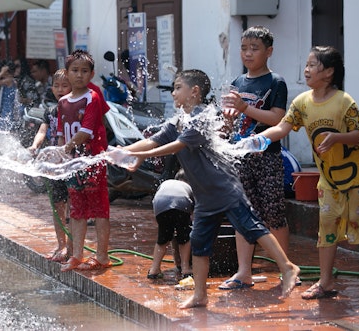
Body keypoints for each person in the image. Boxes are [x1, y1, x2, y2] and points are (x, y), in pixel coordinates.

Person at [122, 69, 299, 309]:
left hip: (224, 188)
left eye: (177, 87)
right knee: (199, 242)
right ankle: (200, 294)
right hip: (204, 195)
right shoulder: (178, 121)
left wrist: (142, 155)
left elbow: (176, 146)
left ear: (194, 92)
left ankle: (288, 267)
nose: (173, 93)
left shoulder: (203, 118)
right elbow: (154, 140)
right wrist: (127, 152)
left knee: (251, 227)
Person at [256, 46, 359, 300]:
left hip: (357, 177)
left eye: (313, 65)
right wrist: (256, 141)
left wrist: (336, 138)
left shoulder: (344, 101)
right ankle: (325, 283)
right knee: (326, 227)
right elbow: (282, 128)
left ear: (329, 72)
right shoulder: (302, 102)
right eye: (307, 64)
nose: (306, 69)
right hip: (328, 178)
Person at [219, 25, 292, 290]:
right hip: (241, 157)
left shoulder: (276, 82)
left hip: (267, 158)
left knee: (273, 214)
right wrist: (228, 120)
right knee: (243, 214)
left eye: (255, 48)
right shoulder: (239, 82)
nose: (248, 54)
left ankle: (285, 270)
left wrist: (245, 108)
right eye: (244, 48)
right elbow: (231, 119)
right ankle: (243, 271)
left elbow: (277, 119)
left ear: (269, 52)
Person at [57, 50, 111, 272]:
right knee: (77, 209)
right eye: (75, 71)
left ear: (92, 74)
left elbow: (86, 131)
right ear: (67, 73)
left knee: (98, 209)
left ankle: (102, 256)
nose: (79, 75)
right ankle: (77, 254)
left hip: (92, 161)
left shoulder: (93, 97)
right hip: (73, 164)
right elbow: (61, 132)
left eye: (84, 71)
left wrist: (65, 149)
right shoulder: (62, 102)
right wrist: (61, 155)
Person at [28, 69, 73, 262]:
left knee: (73, 209)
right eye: (56, 86)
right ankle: (61, 245)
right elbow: (42, 130)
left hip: (71, 165)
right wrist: (35, 145)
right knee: (57, 206)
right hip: (54, 167)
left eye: (64, 85)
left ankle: (71, 249)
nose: (60, 89)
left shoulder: (74, 109)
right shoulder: (51, 112)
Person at [147, 169, 194, 281]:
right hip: (181, 202)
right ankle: (185, 268)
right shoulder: (190, 187)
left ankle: (154, 269)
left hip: (160, 204)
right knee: (184, 238)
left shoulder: (167, 182)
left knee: (163, 238)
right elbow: (194, 213)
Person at [0, 60, 21, 131]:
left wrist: (2, 72)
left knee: (3, 127)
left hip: (6, 109)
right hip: (6, 108)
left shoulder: (9, 80)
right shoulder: (12, 80)